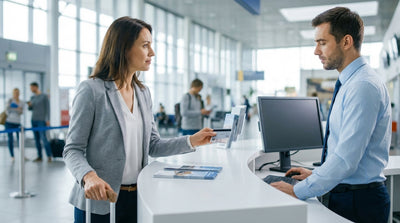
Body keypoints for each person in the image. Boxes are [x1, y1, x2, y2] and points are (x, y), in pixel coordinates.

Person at [63, 17, 216, 223]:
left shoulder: (143, 93)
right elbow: (72, 149)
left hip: (136, 198)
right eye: (145, 46)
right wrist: (88, 176)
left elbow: (153, 145)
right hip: (99, 202)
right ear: (124, 48)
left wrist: (192, 141)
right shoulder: (92, 90)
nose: (151, 53)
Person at [271, 7, 391, 223]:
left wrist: (297, 191)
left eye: (322, 42)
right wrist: (316, 176)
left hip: (358, 202)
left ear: (346, 42)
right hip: (347, 193)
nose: (316, 51)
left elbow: (346, 159)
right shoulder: (350, 83)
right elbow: (342, 151)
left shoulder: (362, 86)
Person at [27, 82, 52, 162]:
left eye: (31, 88)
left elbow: (48, 108)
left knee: (43, 138)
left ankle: (49, 155)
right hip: (33, 120)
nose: (30, 89)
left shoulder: (44, 96)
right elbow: (30, 109)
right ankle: (39, 156)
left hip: (41, 120)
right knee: (36, 139)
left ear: (35, 87)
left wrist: (48, 119)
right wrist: (29, 105)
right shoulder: (32, 97)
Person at [5, 88, 24, 161]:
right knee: (10, 139)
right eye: (15, 93)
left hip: (17, 122)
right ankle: (12, 155)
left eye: (17, 93)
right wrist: (17, 109)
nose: (16, 94)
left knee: (20, 139)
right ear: (13, 93)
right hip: (9, 122)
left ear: (19, 93)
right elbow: (7, 110)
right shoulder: (9, 100)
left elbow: (21, 112)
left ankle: (22, 155)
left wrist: (15, 109)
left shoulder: (21, 102)